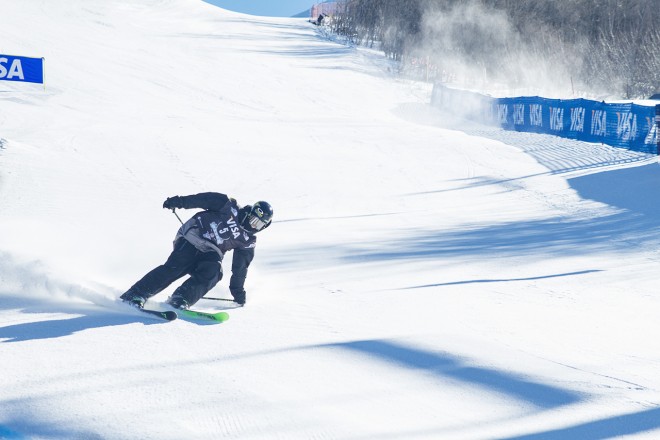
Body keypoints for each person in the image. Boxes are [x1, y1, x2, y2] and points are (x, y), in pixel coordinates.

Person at [120, 192, 273, 310]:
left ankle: (181, 298)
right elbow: (202, 199)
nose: (253, 226)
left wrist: (237, 293)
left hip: (211, 250)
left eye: (259, 225)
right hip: (193, 235)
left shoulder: (247, 240)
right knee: (177, 266)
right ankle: (136, 294)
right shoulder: (228, 206)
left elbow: (240, 268)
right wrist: (179, 202)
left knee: (214, 271)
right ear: (249, 212)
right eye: (253, 220)